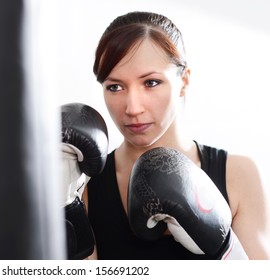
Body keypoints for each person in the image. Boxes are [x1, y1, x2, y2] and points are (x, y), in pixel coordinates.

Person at [80, 11, 270, 260]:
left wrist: (225, 249)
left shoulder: (237, 174)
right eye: (115, 87)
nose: (132, 108)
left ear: (184, 81)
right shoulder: (87, 187)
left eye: (151, 83)